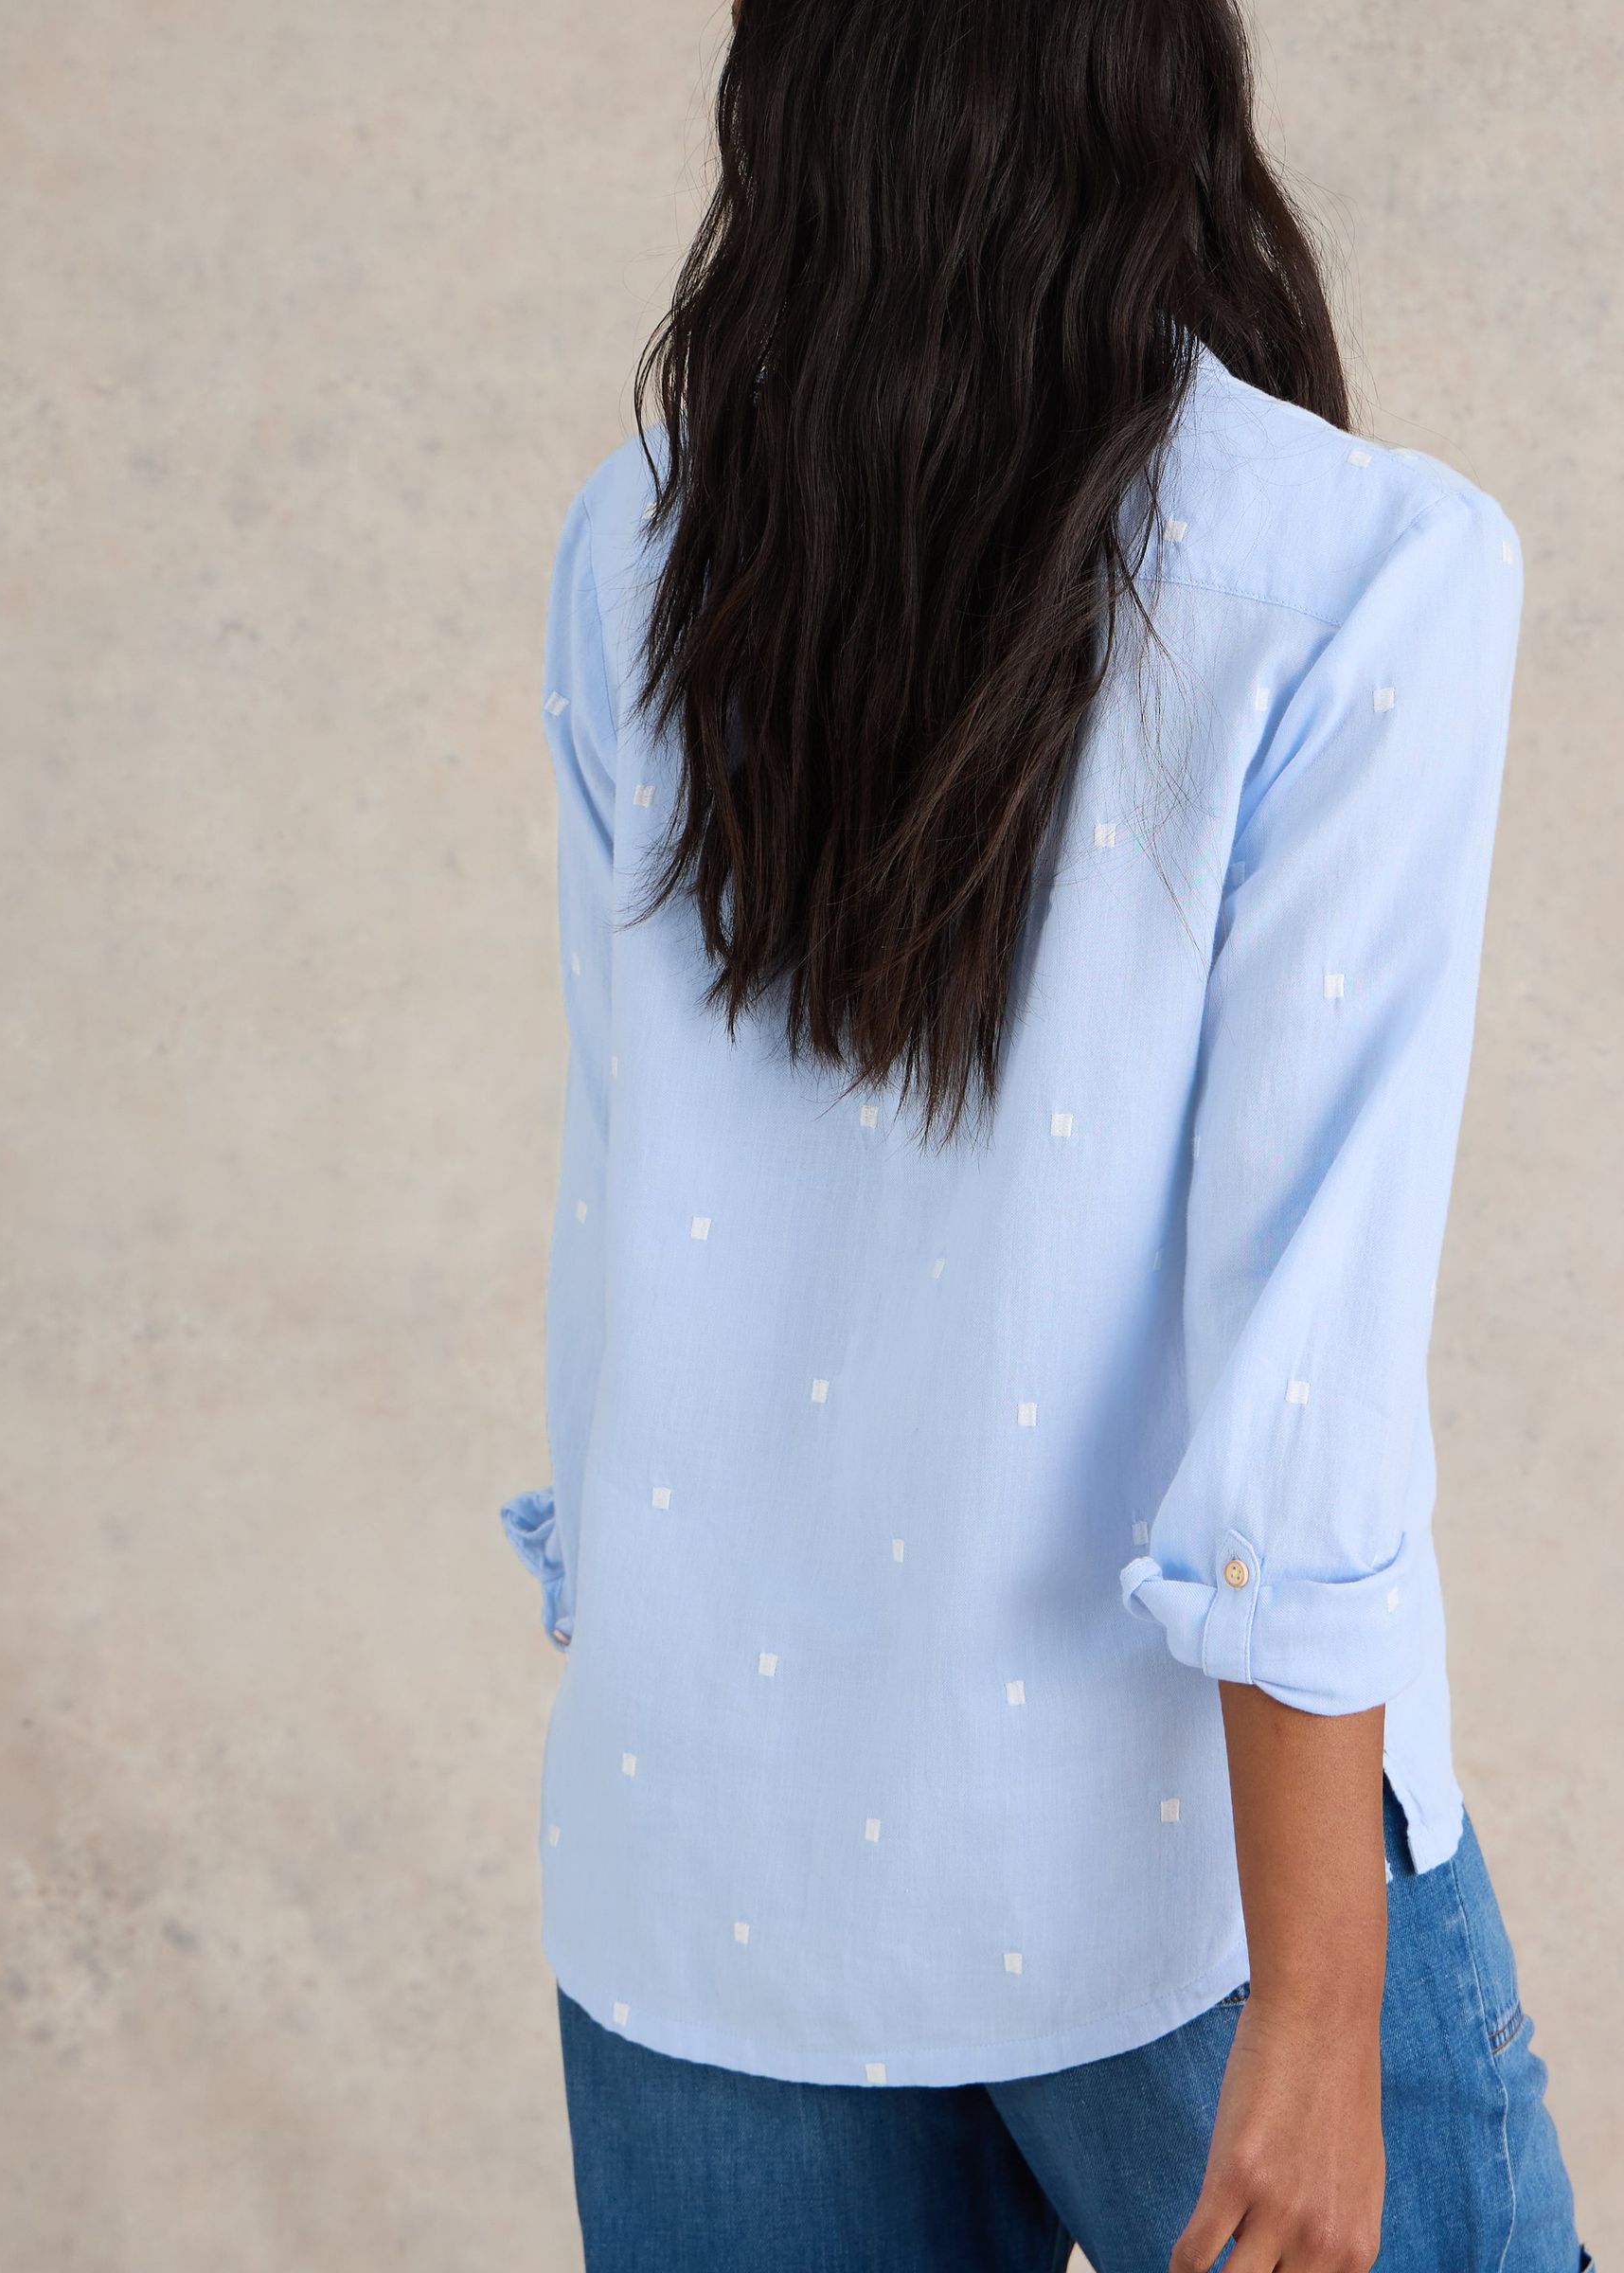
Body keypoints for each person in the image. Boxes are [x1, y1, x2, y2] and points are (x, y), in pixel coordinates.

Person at [501, 2, 1589, 2265]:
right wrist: (1321, 2013)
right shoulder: (1361, 571)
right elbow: (1306, 1370)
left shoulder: (639, 548)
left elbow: (630, 1231)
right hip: (1185, 1906)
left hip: (710, 1867)